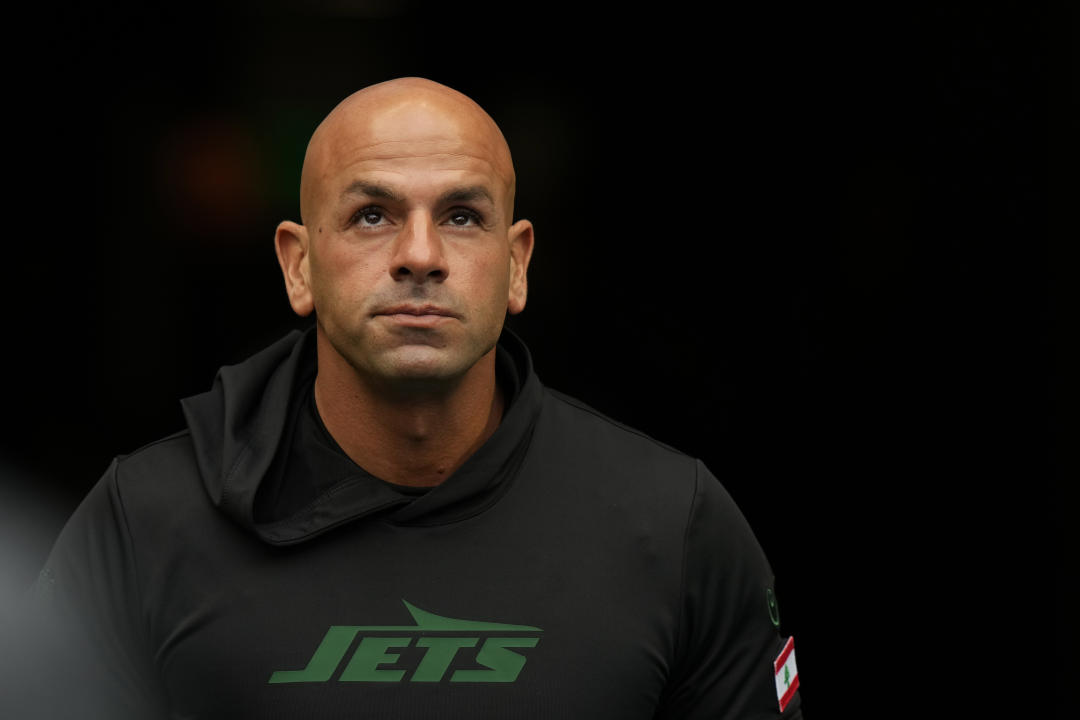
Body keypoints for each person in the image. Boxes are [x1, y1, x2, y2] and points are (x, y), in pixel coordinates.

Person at [5, 77, 803, 719]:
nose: (419, 255)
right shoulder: (143, 524)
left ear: (517, 262)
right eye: (371, 214)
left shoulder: (676, 522)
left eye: (461, 215)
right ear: (298, 265)